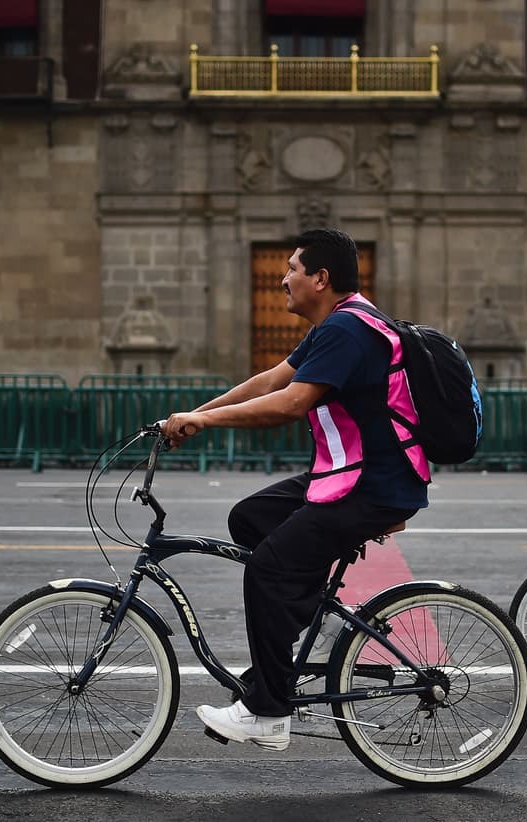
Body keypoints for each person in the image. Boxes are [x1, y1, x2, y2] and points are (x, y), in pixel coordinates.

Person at [161, 228, 429, 751]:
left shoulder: (348, 330)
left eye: (292, 269)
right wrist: (198, 414)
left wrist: (207, 423)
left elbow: (289, 404)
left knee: (268, 569)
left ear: (320, 279)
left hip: (373, 484)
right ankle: (309, 631)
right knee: (251, 518)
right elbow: (271, 380)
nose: (283, 280)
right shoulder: (338, 322)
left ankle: (268, 711)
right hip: (349, 473)